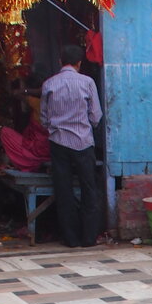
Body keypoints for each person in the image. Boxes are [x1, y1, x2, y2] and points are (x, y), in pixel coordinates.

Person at [40, 44, 103, 247]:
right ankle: (89, 237)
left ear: (61, 61)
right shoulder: (87, 82)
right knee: (88, 188)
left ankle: (70, 238)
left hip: (58, 142)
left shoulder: (49, 84)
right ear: (79, 63)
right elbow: (96, 116)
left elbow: (44, 118)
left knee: (63, 190)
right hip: (83, 142)